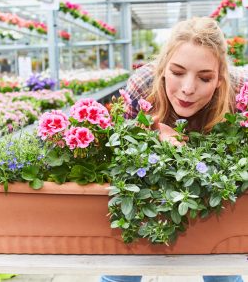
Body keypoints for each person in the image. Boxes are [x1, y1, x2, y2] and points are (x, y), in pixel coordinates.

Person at [101, 17, 244, 282]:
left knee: (221, 263)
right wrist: (150, 136)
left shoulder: (238, 91)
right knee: (123, 263)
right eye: (177, 73)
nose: (188, 89)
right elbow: (115, 156)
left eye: (205, 78)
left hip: (212, 189)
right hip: (147, 188)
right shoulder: (143, 85)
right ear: (163, 68)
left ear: (220, 79)